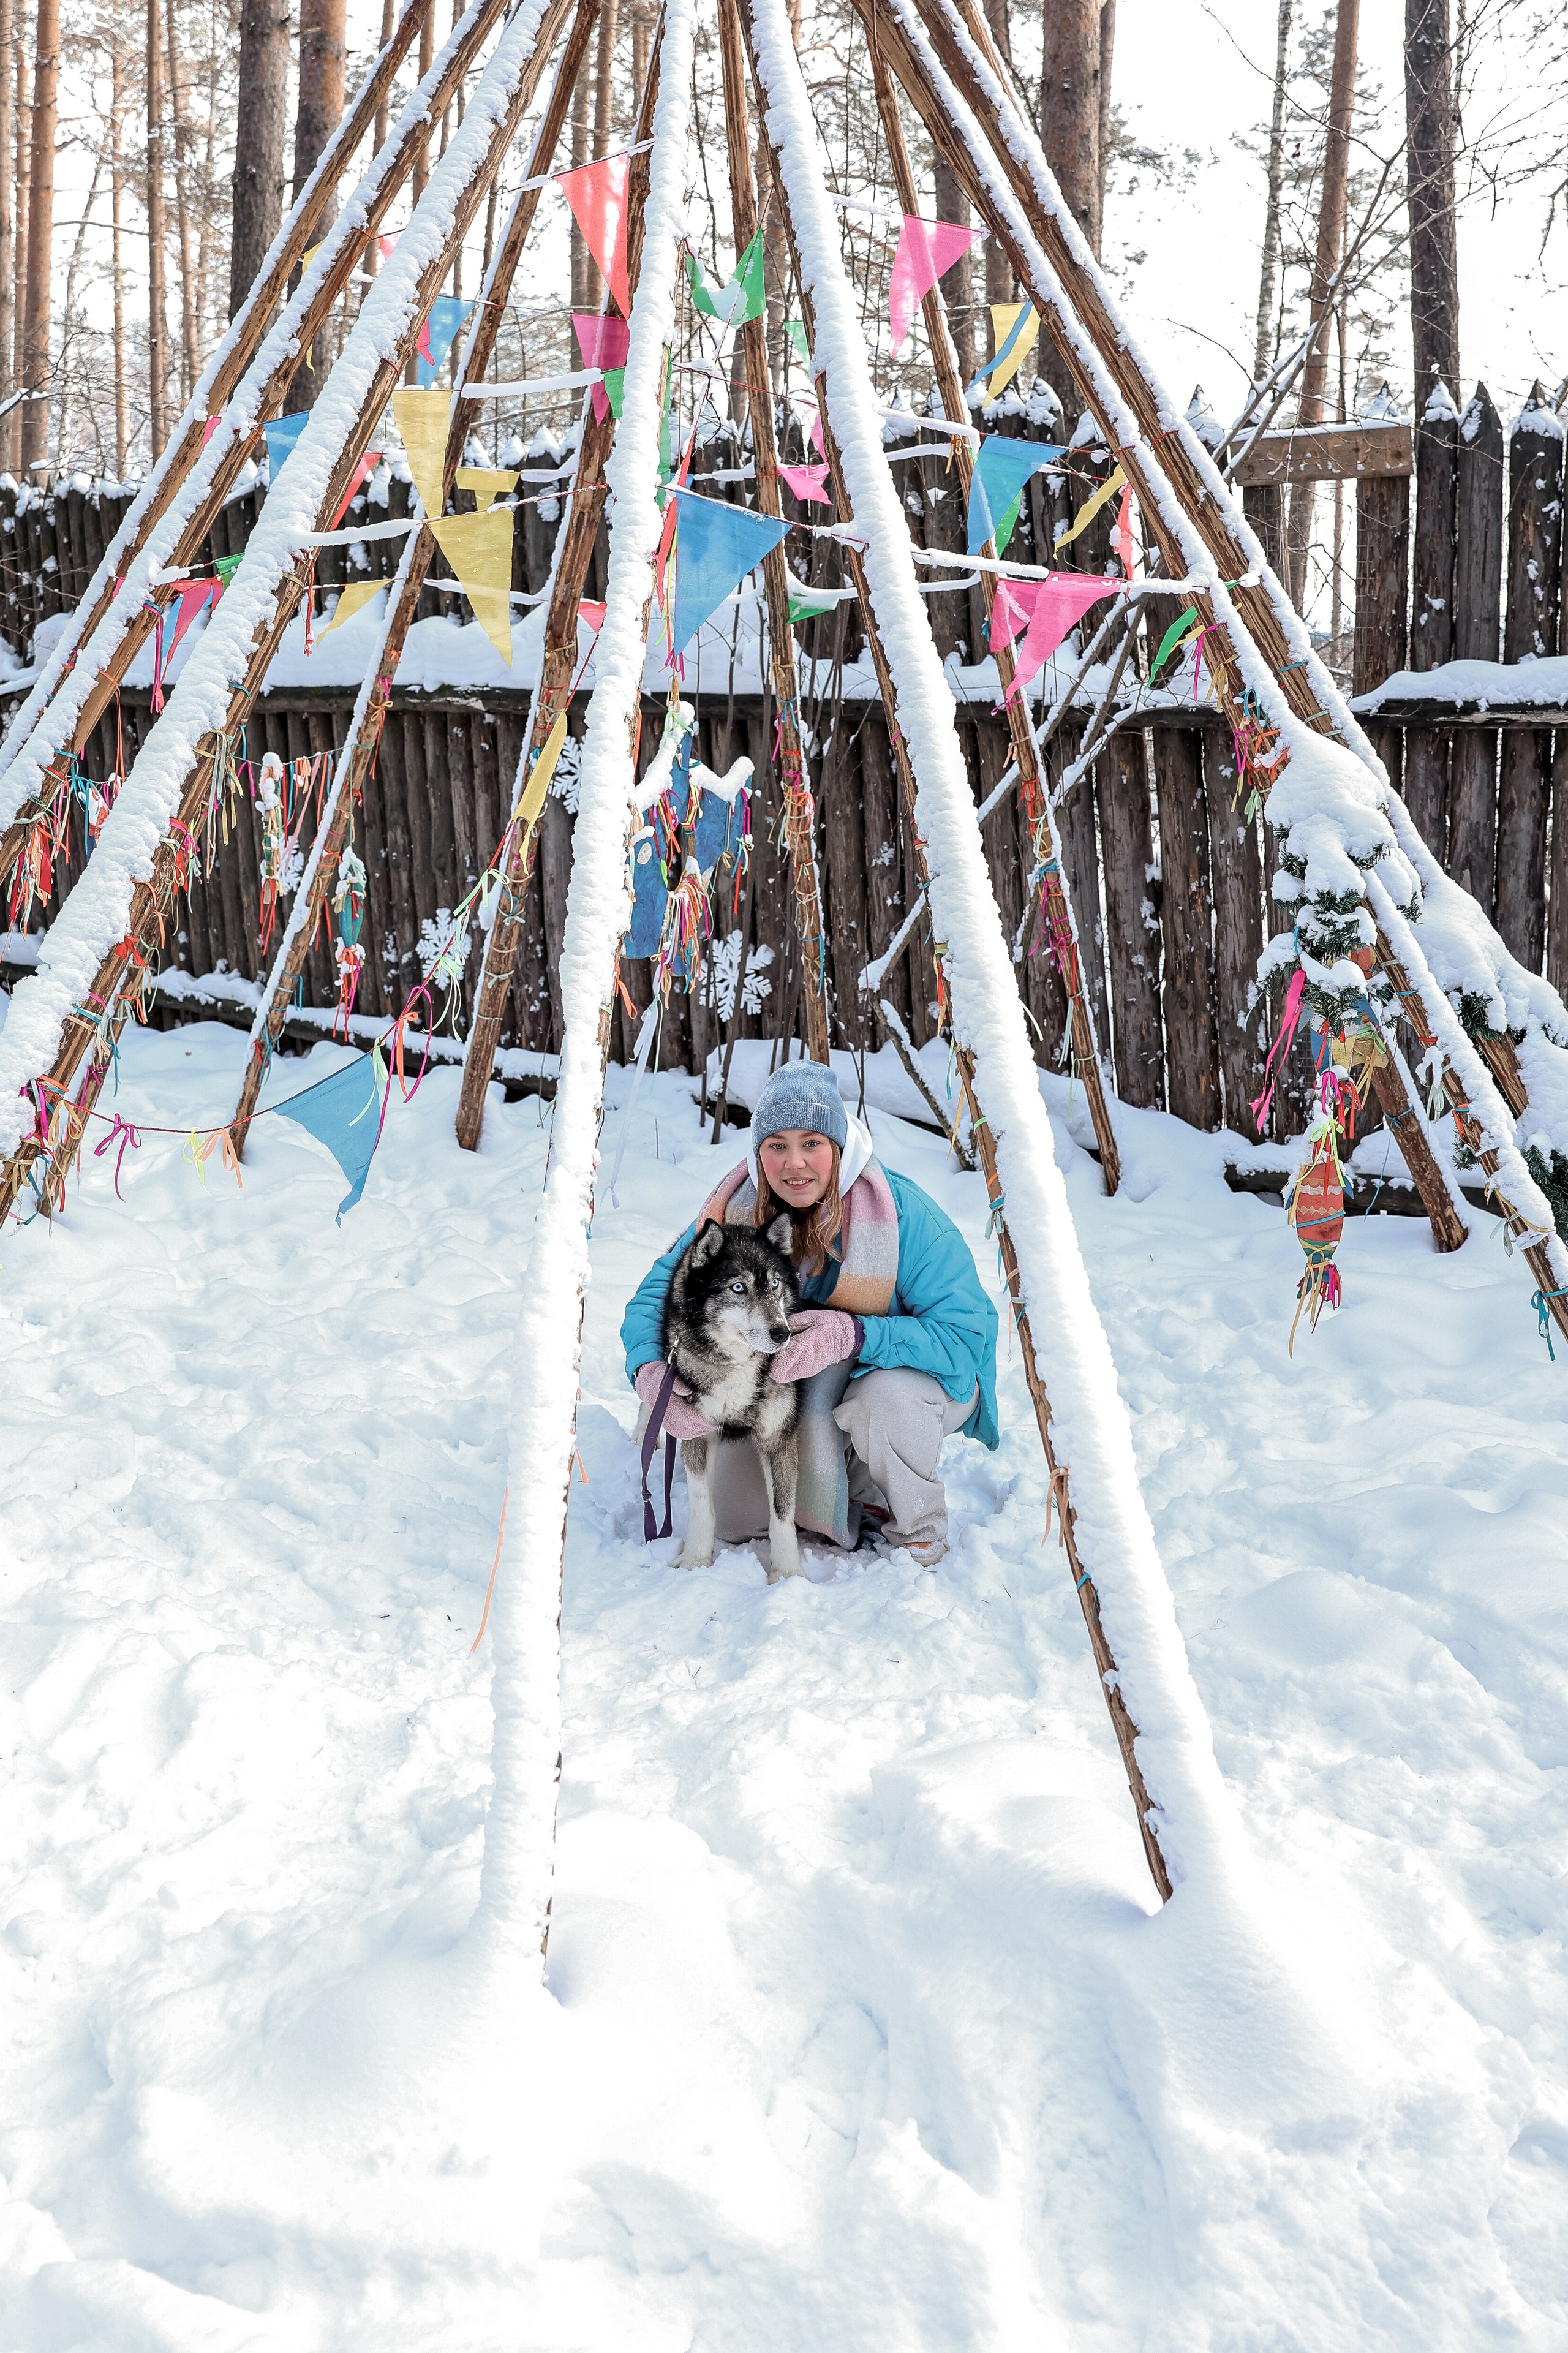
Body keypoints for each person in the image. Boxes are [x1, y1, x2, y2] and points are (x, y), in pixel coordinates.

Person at [622, 1062, 998, 1566]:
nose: (794, 1162)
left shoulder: (903, 1214)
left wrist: (857, 1334)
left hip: (907, 1380)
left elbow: (966, 1339)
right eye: (776, 1144)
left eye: (812, 1143)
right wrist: (650, 1370)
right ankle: (841, 1474)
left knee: (882, 1401)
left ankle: (916, 1525)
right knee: (737, 1519)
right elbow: (656, 1296)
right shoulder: (734, 1210)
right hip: (791, 1389)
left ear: (838, 1148)